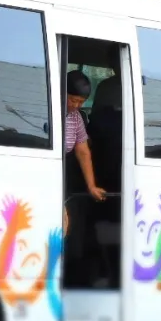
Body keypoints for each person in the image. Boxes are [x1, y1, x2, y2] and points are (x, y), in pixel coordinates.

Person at [62, 70, 106, 267]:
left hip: (65, 173)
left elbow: (82, 151)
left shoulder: (76, 118)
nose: (76, 106)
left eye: (81, 102)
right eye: (72, 100)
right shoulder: (49, 109)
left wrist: (91, 185)